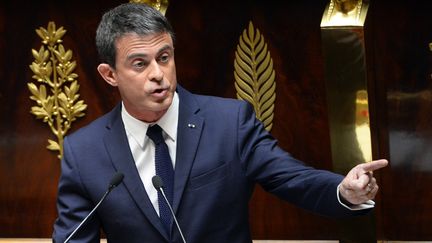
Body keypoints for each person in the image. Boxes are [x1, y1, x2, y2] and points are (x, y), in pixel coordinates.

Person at [52, 3, 388, 243]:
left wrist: (343, 191)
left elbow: (290, 177)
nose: (158, 74)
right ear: (110, 74)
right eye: (140, 63)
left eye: (164, 58)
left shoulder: (229, 122)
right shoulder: (84, 152)